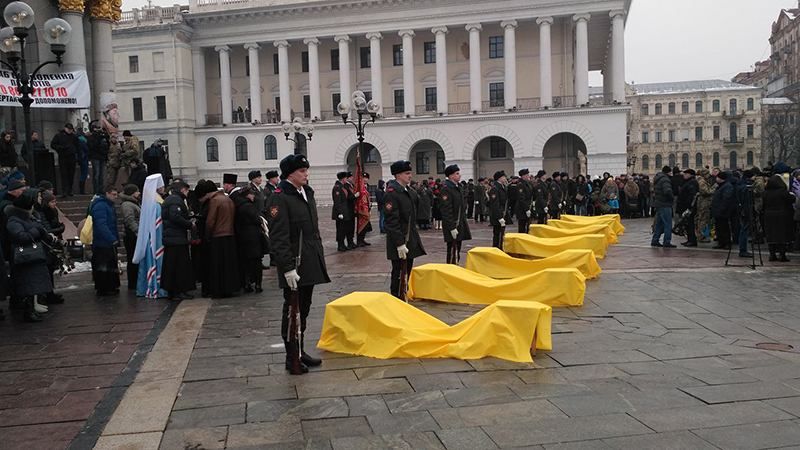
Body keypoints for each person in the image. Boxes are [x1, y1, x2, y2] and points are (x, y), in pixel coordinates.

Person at [266, 154, 330, 375]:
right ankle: (291, 356)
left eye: (306, 170)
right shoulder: (280, 197)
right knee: (292, 311)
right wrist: (287, 268)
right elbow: (279, 237)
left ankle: (301, 351)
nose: (306, 174)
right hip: (294, 262)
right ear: (290, 173)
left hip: (310, 259)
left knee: (304, 308)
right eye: (302, 171)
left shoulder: (306, 192)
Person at [6, 189, 60, 321]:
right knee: (26, 285)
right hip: (24, 257)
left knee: (33, 284)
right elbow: (21, 236)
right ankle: (28, 311)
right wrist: (36, 231)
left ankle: (31, 309)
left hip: (32, 256)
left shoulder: (28, 218)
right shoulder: (14, 220)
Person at [384, 160, 426, 298]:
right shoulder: (392, 193)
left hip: (410, 237)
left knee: (407, 270)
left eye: (410, 173)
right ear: (398, 175)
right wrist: (399, 243)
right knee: (398, 272)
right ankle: (396, 298)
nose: (410, 175)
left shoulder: (410, 192)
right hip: (400, 240)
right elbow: (391, 221)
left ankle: (404, 295)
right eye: (407, 173)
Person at [204, 174, 239, 297]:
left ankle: (219, 289)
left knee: (218, 266)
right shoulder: (228, 199)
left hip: (218, 236)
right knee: (229, 265)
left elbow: (210, 221)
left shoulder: (215, 201)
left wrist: (207, 235)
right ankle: (230, 287)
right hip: (230, 234)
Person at [133, 174, 167, 298]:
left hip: (148, 238)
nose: (164, 188)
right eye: (162, 186)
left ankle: (145, 286)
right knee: (157, 262)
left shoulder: (148, 202)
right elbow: (158, 224)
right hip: (155, 239)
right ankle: (155, 286)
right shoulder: (156, 204)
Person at [161, 180, 195, 300]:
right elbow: (175, 216)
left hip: (173, 237)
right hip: (176, 238)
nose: (187, 193)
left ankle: (176, 290)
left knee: (174, 265)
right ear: (182, 190)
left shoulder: (171, 199)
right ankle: (178, 291)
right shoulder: (175, 200)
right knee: (178, 266)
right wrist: (189, 224)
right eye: (186, 190)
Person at [35, 191, 66, 306]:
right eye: (52, 202)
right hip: (47, 244)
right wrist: (59, 229)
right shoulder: (42, 212)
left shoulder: (53, 211)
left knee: (50, 269)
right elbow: (46, 230)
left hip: (53, 243)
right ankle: (47, 294)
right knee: (47, 270)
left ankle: (50, 293)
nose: (54, 204)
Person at [235, 186, 266, 293]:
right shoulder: (248, 206)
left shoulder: (238, 205)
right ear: (247, 195)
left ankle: (247, 284)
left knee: (246, 262)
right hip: (253, 237)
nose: (254, 196)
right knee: (257, 262)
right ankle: (258, 284)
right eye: (252, 194)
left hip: (242, 237)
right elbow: (257, 219)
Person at [90, 185, 121, 296]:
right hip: (102, 242)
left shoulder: (107, 205)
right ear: (107, 193)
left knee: (109, 264)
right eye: (113, 194)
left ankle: (110, 286)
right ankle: (104, 287)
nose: (115, 197)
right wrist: (112, 238)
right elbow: (101, 224)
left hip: (107, 241)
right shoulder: (101, 206)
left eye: (116, 194)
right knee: (103, 265)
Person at [440, 165, 472, 264]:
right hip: (453, 223)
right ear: (450, 176)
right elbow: (446, 210)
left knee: (457, 248)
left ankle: (456, 266)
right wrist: (451, 227)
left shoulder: (458, 187)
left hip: (459, 222)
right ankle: (451, 269)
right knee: (452, 250)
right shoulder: (446, 189)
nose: (459, 175)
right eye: (457, 174)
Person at [763, 175, 795, 262]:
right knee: (782, 235)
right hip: (782, 215)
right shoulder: (782, 191)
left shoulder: (766, 192)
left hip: (769, 215)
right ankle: (782, 254)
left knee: (771, 235)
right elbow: (791, 199)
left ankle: (772, 254)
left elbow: (763, 204)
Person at [120, 184, 141, 291]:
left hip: (133, 234)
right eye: (137, 191)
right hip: (132, 236)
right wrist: (137, 231)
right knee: (133, 258)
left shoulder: (132, 203)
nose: (139, 193)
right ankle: (133, 283)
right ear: (132, 193)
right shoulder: (128, 205)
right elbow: (129, 220)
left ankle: (135, 281)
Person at [50, 123, 79, 197]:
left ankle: (70, 190)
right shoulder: (59, 136)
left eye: (71, 129)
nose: (70, 131)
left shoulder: (74, 136)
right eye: (68, 129)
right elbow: (53, 145)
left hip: (72, 157)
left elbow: (78, 145)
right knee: (64, 174)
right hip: (63, 157)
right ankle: (64, 191)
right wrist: (61, 148)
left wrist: (75, 151)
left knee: (71, 174)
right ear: (65, 128)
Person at [651, 165, 676, 248]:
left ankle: (655, 240)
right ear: (669, 172)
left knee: (659, 223)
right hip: (665, 204)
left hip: (659, 203)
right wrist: (672, 198)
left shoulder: (658, 178)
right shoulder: (665, 179)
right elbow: (667, 191)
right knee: (668, 224)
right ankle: (667, 241)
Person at [711, 171, 736, 250]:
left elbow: (726, 199)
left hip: (723, 211)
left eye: (718, 177)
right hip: (718, 210)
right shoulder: (720, 186)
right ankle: (721, 242)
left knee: (724, 228)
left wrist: (722, 209)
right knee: (719, 227)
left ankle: (727, 243)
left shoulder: (727, 186)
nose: (716, 178)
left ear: (721, 178)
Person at [677, 169, 699, 247]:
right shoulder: (688, 182)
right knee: (687, 224)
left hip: (689, 207)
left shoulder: (692, 183)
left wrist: (688, 205)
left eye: (686, 174)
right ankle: (690, 240)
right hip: (686, 206)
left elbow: (691, 196)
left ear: (690, 175)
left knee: (690, 224)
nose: (684, 175)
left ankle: (692, 241)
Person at [87, 121, 110, 195]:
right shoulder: (91, 137)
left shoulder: (102, 136)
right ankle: (96, 190)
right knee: (96, 174)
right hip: (95, 157)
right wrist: (98, 137)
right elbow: (92, 146)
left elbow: (107, 145)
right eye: (97, 128)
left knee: (102, 175)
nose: (98, 129)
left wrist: (105, 136)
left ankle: (101, 189)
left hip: (102, 157)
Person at [488, 170, 509, 249]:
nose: (505, 178)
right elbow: (495, 204)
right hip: (497, 215)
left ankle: (500, 248)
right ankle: (496, 249)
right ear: (499, 178)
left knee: (501, 234)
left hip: (502, 213)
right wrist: (500, 217)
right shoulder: (495, 189)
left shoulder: (502, 187)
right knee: (497, 234)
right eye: (503, 177)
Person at [332, 172, 352, 252]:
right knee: (340, 229)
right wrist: (340, 212)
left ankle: (343, 244)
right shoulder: (337, 187)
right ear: (343, 179)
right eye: (346, 178)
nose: (347, 180)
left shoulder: (343, 187)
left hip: (345, 211)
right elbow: (337, 201)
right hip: (340, 212)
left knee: (344, 229)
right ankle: (340, 245)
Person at [515, 169, 534, 234]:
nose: (528, 176)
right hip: (522, 209)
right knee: (522, 226)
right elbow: (521, 198)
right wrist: (526, 209)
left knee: (528, 225)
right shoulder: (520, 184)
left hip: (528, 207)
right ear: (523, 176)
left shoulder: (527, 183)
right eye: (527, 175)